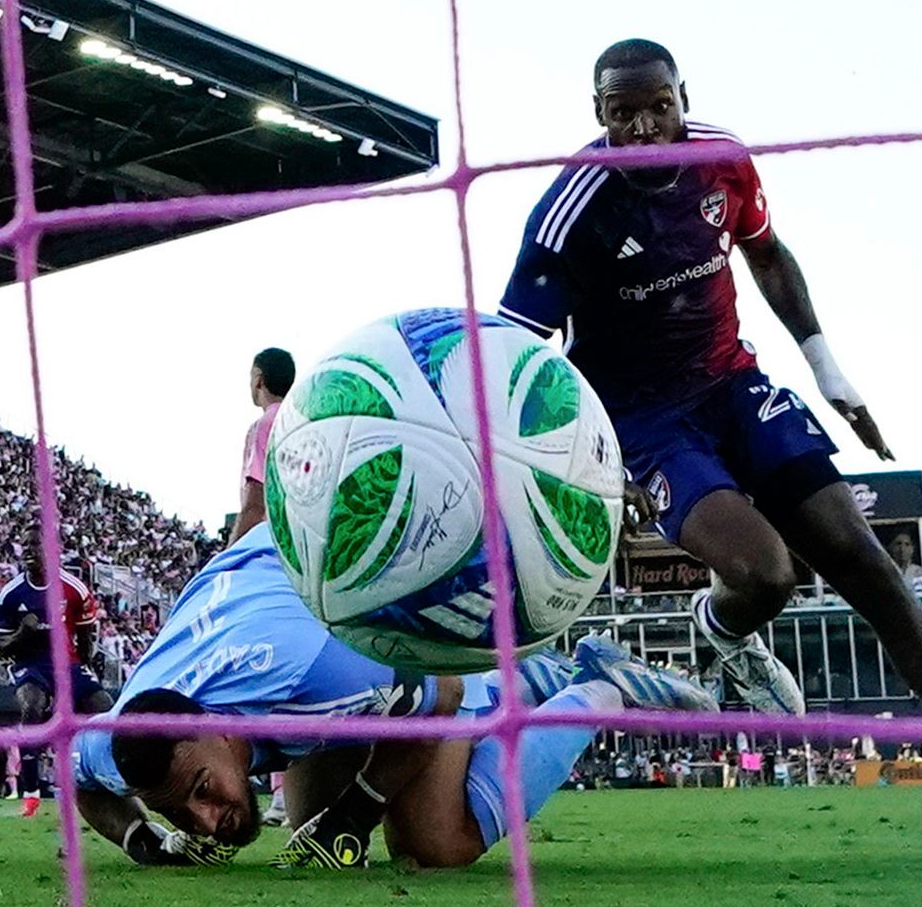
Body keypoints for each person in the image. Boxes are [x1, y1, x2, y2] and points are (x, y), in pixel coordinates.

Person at [497, 38, 922, 865]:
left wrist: (828, 368)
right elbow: (518, 344)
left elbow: (766, 251)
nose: (646, 125)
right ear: (599, 115)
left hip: (732, 383)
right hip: (646, 418)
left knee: (865, 560)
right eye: (624, 113)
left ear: (682, 95)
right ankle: (724, 623)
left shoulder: (722, 161)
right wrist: (569, 464)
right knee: (769, 573)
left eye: (659, 104)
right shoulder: (570, 211)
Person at [70, 527, 712, 871]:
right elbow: (74, 772)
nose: (205, 820)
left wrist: (362, 809)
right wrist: (137, 837)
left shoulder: (316, 679)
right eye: (181, 812)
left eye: (203, 790)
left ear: (223, 730)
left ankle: (600, 689)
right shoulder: (120, 739)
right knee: (309, 817)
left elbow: (440, 694)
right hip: (270, 582)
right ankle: (538, 677)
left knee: (432, 843)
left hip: (346, 584)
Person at [0, 539, 107, 818]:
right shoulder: (11, 594)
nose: (32, 552)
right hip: (30, 665)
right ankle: (31, 792)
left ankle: (109, 780)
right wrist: (23, 631)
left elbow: (85, 638)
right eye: (28, 547)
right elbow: (2, 646)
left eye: (38, 546)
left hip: (67, 664)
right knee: (31, 706)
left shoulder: (74, 588)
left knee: (104, 707)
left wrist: (83, 673)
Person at [229, 347, 294, 543]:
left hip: (270, 541)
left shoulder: (266, 425)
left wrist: (228, 555)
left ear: (259, 378)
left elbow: (256, 503)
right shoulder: (300, 420)